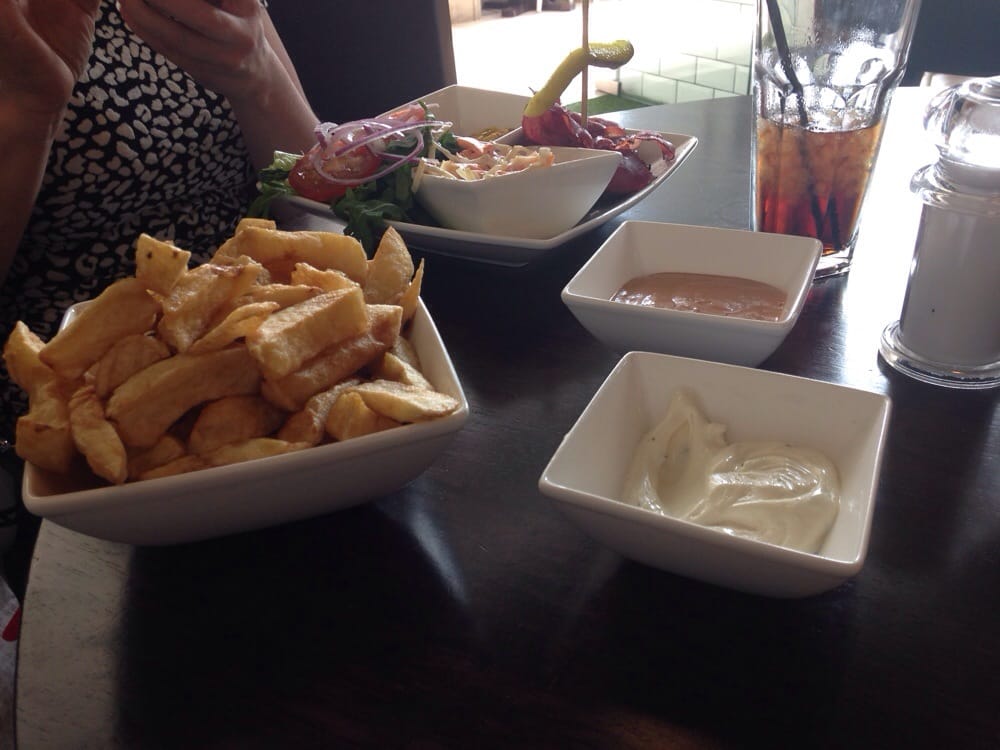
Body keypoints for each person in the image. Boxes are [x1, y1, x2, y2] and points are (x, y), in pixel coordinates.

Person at [0, 0, 321, 593]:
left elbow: (315, 191)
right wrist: (28, 114)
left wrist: (259, 78)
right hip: (83, 442)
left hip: (276, 371)